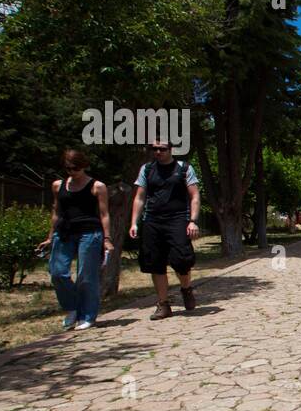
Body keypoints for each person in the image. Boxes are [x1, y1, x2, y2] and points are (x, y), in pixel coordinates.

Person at [37, 149, 113, 330]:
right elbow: (56, 211)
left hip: (89, 233)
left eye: (76, 168)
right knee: (57, 272)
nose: (72, 172)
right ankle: (72, 307)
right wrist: (49, 237)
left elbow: (104, 214)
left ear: (84, 166)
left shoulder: (97, 186)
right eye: (68, 168)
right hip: (64, 232)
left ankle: (88, 315)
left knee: (86, 276)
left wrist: (107, 238)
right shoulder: (58, 185)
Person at [128, 141, 201, 320]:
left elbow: (195, 196)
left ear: (171, 150)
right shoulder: (146, 169)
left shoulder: (184, 169)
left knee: (182, 260)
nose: (158, 152)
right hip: (152, 220)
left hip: (178, 219)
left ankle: (186, 289)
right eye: (154, 149)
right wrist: (134, 223)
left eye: (162, 149)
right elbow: (139, 197)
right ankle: (163, 304)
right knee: (155, 263)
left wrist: (192, 221)